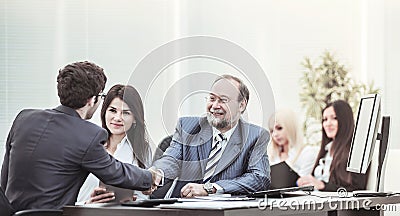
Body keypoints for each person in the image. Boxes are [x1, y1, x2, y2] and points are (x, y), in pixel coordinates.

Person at [0, 61, 158, 211]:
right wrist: (149, 177)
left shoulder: (24, 118)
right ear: (92, 100)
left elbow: (5, 178)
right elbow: (115, 173)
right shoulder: (88, 134)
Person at [152, 74, 270, 198]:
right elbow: (171, 160)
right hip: (182, 209)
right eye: (212, 99)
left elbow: (259, 178)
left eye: (223, 100)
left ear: (241, 105)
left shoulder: (256, 136)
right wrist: (157, 173)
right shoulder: (187, 127)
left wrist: (210, 188)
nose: (215, 106)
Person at [77, 84, 152, 204]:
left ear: (134, 119)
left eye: (125, 113)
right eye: (112, 110)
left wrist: (133, 203)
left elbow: (144, 196)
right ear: (104, 112)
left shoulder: (142, 149)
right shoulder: (88, 144)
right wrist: (87, 204)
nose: (117, 118)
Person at [297, 100, 367, 191]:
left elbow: (357, 189)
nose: (328, 124)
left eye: (334, 118)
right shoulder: (326, 150)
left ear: (345, 120)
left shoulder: (354, 153)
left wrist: (323, 186)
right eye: (325, 119)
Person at [268, 109, 318, 176]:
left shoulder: (307, 153)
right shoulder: (271, 156)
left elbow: (302, 182)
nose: (275, 135)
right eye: (272, 131)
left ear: (291, 127)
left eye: (279, 128)